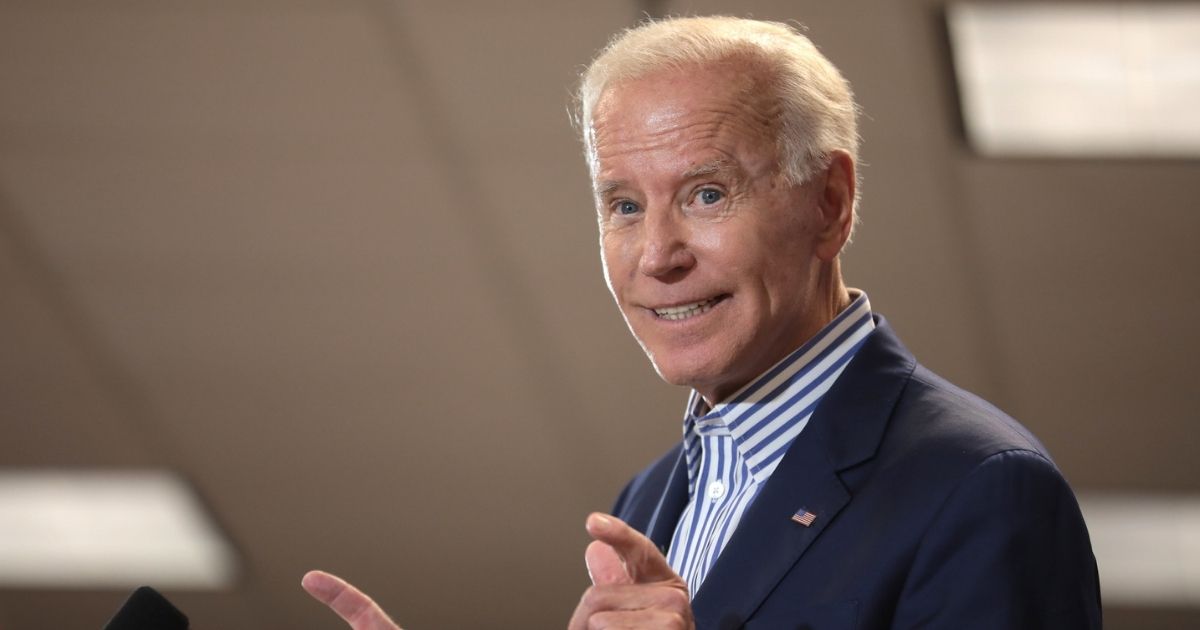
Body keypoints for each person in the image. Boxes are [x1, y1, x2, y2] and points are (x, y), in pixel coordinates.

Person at [303, 16, 1102, 629]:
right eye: (622, 205)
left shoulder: (980, 488)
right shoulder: (648, 497)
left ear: (830, 204)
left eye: (706, 194)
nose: (657, 255)